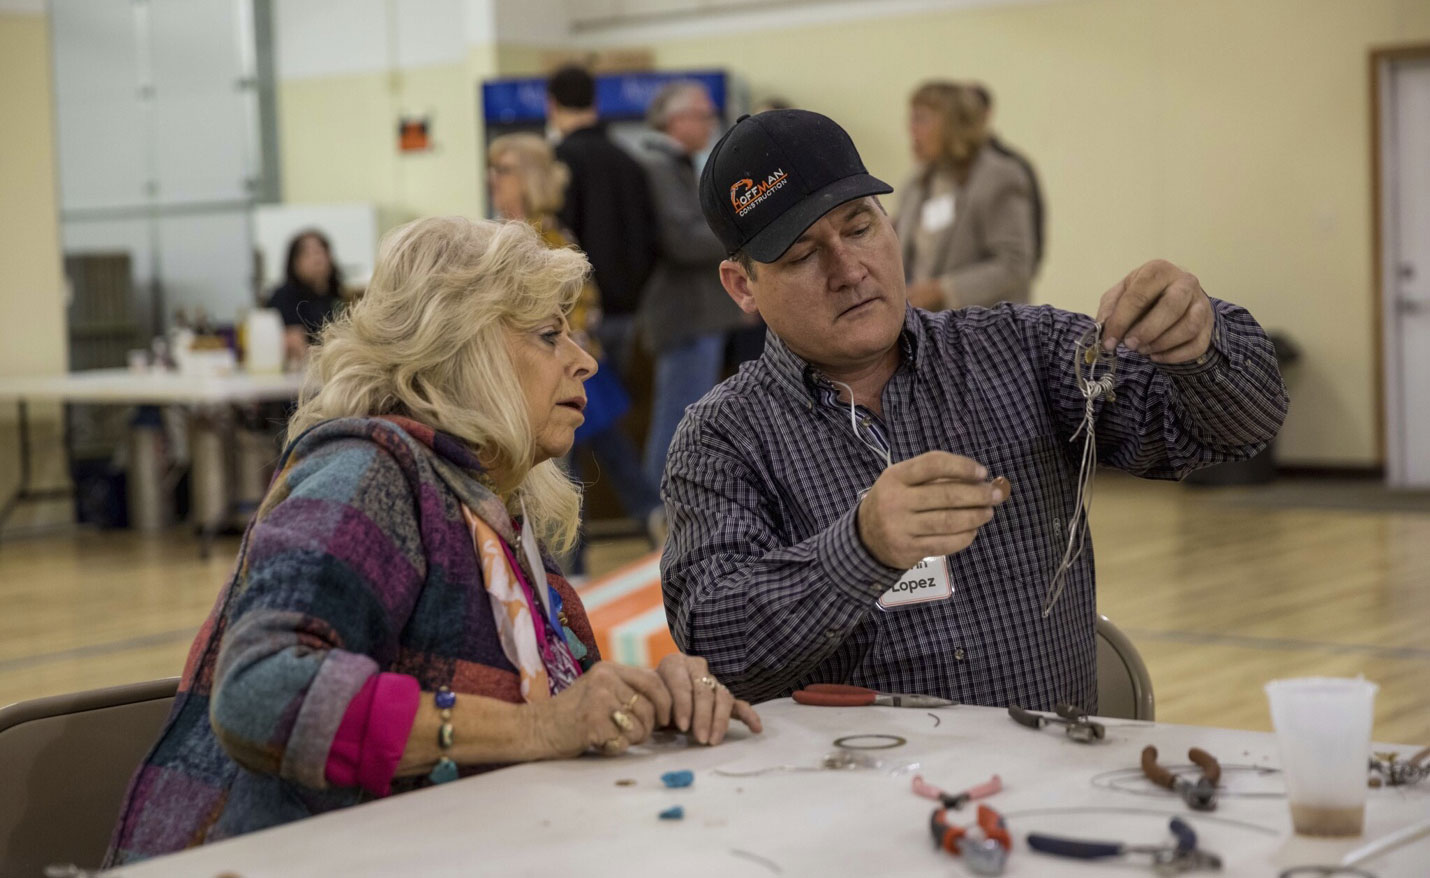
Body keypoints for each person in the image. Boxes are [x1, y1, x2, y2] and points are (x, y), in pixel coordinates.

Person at [105, 217, 761, 866]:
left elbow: (553, 704)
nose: (583, 359)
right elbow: (260, 692)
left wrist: (646, 696)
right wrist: (539, 729)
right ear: (463, 346)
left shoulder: (491, 509)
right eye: (548, 334)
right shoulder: (366, 472)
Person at [660, 109, 1288, 711]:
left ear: (891, 225)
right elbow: (719, 647)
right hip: (852, 804)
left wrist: (1200, 343)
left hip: (1047, 783)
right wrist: (861, 547)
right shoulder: (722, 439)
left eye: (859, 227)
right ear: (742, 286)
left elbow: (1234, 430)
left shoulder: (1023, 353)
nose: (849, 269)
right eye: (802, 255)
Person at [487, 132, 664, 561]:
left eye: (504, 170)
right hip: (537, 370)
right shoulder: (509, 237)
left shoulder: (543, 238)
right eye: (492, 170)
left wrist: (559, 347)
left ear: (528, 177)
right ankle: (625, 531)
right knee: (583, 457)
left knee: (571, 460)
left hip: (551, 369)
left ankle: (587, 552)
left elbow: (580, 307)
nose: (494, 180)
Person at [635, 80, 746, 489]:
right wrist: (741, 234)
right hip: (685, 313)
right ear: (676, 121)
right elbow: (681, 239)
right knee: (678, 423)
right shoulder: (659, 166)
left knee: (687, 418)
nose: (711, 124)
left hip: (697, 311)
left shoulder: (676, 164)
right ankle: (661, 515)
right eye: (703, 116)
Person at [546, 65, 657, 379]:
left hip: (577, 313)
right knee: (612, 402)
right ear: (595, 101)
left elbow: (555, 239)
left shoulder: (556, 161)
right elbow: (651, 235)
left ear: (551, 104)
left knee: (578, 408)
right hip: (628, 309)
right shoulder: (628, 159)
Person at [894, 81, 1036, 311]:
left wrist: (944, 290)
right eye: (911, 118)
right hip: (926, 327)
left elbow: (1015, 264)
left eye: (921, 119)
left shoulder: (999, 177)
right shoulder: (917, 182)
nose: (911, 129)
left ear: (953, 124)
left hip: (984, 331)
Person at [969, 82, 1046, 273]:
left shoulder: (1009, 167)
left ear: (986, 114)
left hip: (996, 297)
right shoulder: (931, 174)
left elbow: (1027, 243)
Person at [267, 229, 344, 365]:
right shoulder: (284, 296)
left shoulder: (336, 295)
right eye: (308, 254)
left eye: (320, 251)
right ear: (294, 262)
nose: (317, 259)